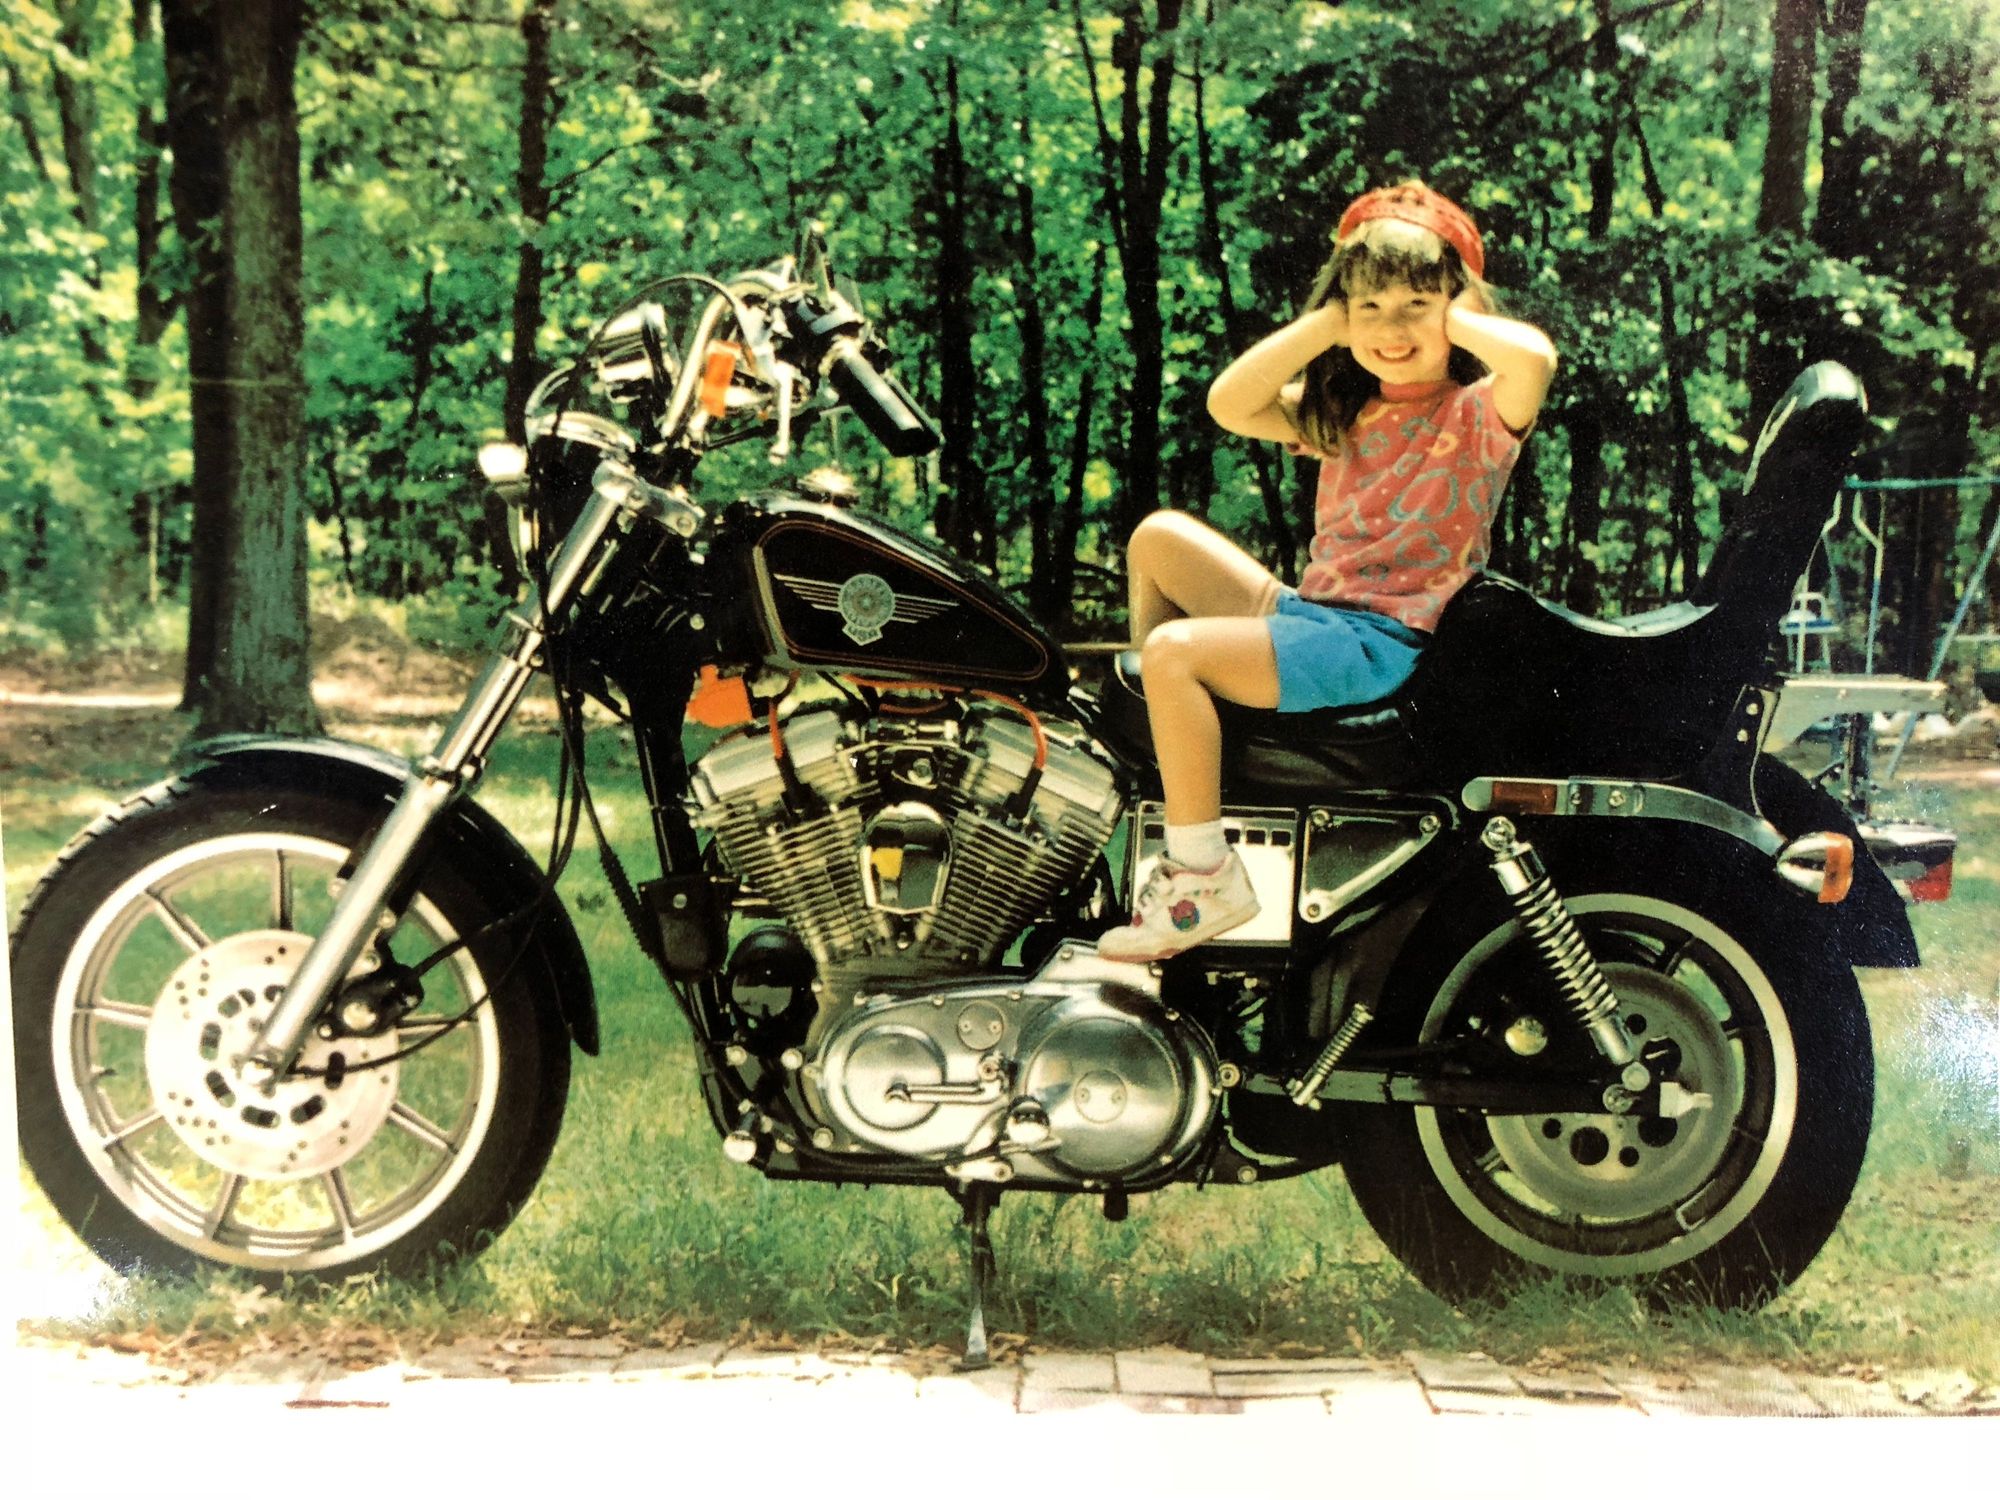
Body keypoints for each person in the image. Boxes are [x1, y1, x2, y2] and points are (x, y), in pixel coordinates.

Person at [1098, 180, 1558, 963]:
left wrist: (1450, 313)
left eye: (1417, 305)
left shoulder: (1479, 413)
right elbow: (1227, 404)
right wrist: (1329, 322)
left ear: (1457, 307)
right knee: (1158, 538)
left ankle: (1202, 877)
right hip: (1316, 617)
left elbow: (1535, 358)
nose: (1392, 328)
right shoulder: (1345, 409)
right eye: (1369, 307)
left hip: (1383, 642)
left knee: (1173, 654)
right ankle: (1169, 769)